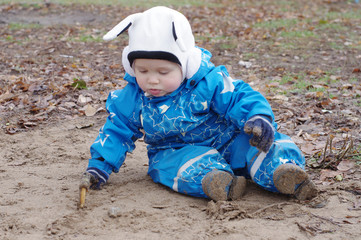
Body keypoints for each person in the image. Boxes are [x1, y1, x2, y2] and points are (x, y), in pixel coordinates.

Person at [80, 6, 317, 201]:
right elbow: (116, 131)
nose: (152, 79)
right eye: (142, 70)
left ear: (185, 65)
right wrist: (99, 165)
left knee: (264, 144)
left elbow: (238, 96)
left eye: (163, 71)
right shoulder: (133, 97)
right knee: (171, 167)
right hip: (174, 150)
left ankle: (283, 171)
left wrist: (257, 116)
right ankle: (216, 181)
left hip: (227, 142)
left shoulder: (207, 82)